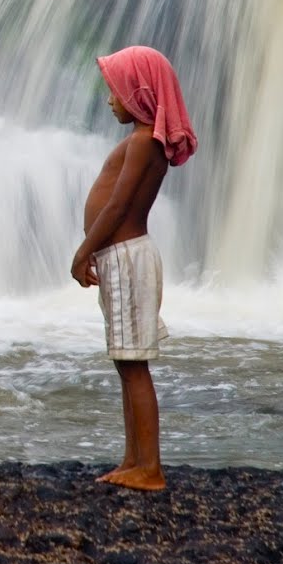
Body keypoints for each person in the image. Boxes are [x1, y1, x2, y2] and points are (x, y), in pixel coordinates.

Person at [70, 45, 197, 492]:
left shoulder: (144, 143)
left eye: (116, 92)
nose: (109, 100)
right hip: (122, 257)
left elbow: (120, 204)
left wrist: (84, 250)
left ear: (139, 94)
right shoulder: (143, 141)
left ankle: (151, 468)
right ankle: (134, 459)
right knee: (126, 363)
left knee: (134, 365)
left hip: (124, 257)